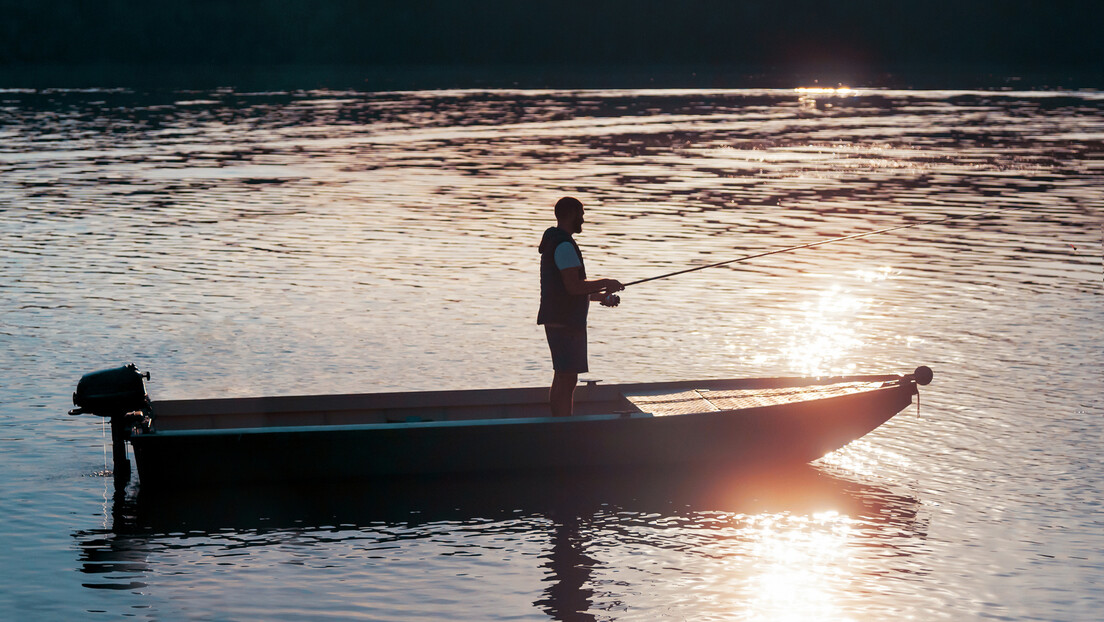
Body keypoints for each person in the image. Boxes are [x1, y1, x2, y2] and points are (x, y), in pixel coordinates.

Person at [537, 197, 624, 417]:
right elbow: (574, 287)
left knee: (564, 375)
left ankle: (560, 423)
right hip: (565, 322)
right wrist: (606, 282)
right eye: (581, 213)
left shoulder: (557, 242)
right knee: (566, 377)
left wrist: (602, 298)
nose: (583, 218)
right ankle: (563, 426)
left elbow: (570, 290)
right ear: (571, 214)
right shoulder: (564, 245)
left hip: (560, 318)